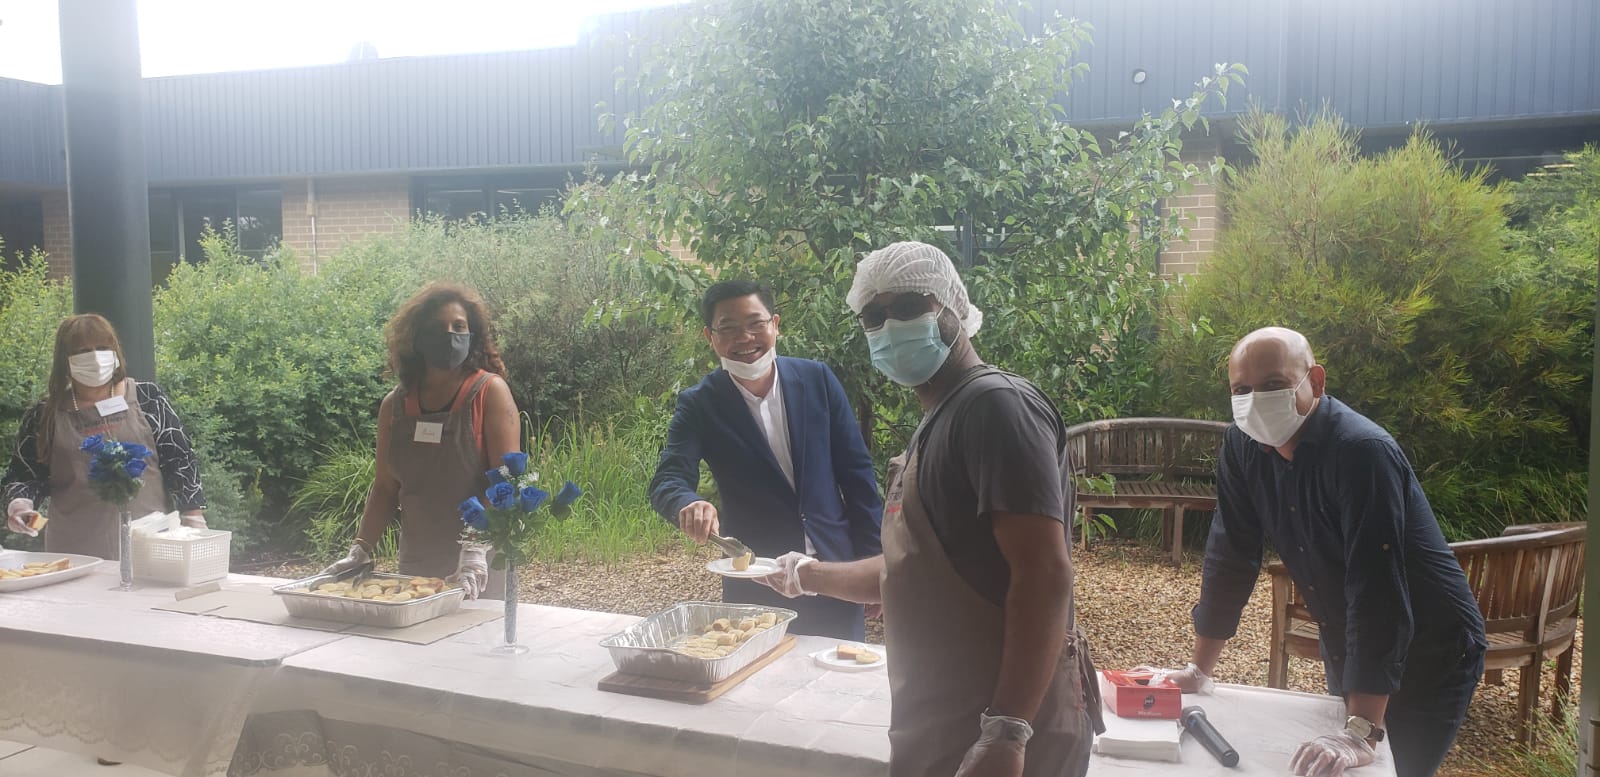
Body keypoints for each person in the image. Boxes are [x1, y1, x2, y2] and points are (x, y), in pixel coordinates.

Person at [751, 242, 1101, 777]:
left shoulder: (995, 406)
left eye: (910, 306)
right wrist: (807, 575)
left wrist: (1007, 730)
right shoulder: (940, 418)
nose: (890, 326)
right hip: (945, 715)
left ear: (954, 308)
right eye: (874, 316)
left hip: (999, 721)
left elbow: (1045, 575)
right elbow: (915, 568)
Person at [1147, 327, 1486, 777]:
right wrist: (1199, 671)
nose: (1255, 400)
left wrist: (1361, 730)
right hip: (1349, 638)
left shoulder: (1363, 453)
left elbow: (1375, 587)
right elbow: (1230, 555)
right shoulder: (1242, 447)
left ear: (1316, 382)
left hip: (1433, 649)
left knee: (1390, 767)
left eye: (1273, 384)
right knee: (1339, 765)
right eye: (1241, 390)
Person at [648, 279, 883, 640]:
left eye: (755, 323)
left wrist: (871, 564)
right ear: (710, 337)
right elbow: (668, 479)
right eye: (728, 328)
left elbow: (857, 476)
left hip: (834, 572)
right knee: (760, 675)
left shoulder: (817, 380)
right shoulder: (700, 404)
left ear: (775, 324)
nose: (745, 338)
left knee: (838, 668)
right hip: (757, 580)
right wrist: (688, 502)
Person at [321, 283, 521, 600]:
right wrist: (360, 549)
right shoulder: (395, 406)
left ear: (473, 334)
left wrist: (475, 546)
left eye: (459, 326)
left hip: (480, 563)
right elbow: (385, 487)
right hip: (417, 562)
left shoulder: (489, 393)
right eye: (438, 328)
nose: (450, 335)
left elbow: (507, 481)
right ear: (418, 337)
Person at [4, 314, 208, 556]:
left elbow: (180, 459)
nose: (94, 357)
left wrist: (193, 515)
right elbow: (24, 475)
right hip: (75, 549)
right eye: (82, 350)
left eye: (102, 348)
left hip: (152, 542)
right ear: (65, 359)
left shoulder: (148, 398)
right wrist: (19, 506)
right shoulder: (43, 414)